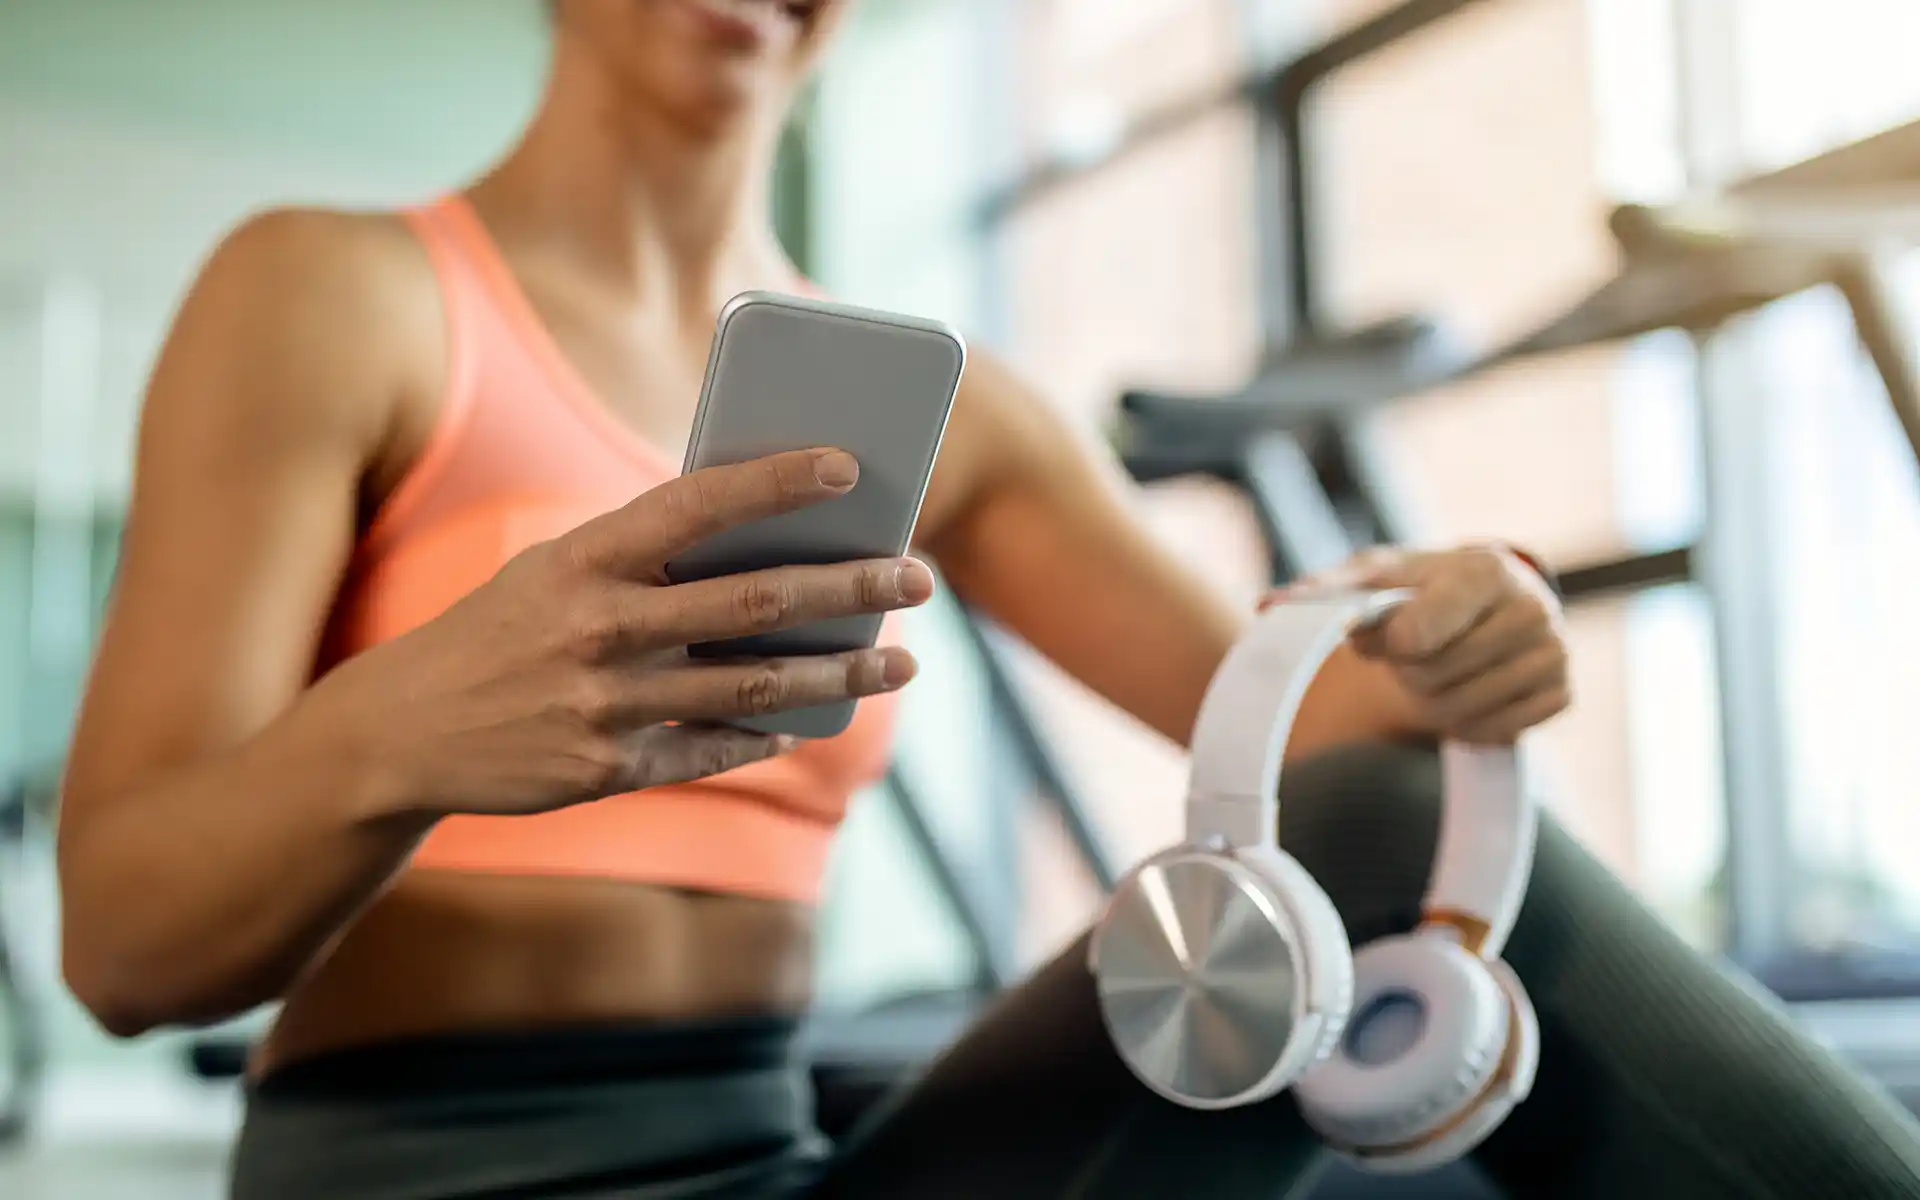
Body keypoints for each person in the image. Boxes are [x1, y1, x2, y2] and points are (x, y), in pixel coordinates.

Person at [54, 2, 1920, 1198]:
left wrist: (1445, 635)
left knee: (1399, 806)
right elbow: (130, 955)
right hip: (410, 1171)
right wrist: (410, 724)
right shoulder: (335, 297)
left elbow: (1333, 759)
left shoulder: (944, 405)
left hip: (777, 1167)